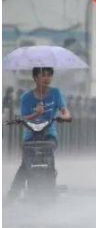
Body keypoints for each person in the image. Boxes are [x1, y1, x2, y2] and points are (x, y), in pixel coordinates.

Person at [5, 67, 72, 202]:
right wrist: (36, 113)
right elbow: (24, 117)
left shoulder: (55, 93)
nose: (46, 78)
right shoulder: (26, 97)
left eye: (49, 75)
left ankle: (51, 186)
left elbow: (65, 111)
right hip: (30, 136)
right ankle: (11, 197)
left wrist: (65, 116)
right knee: (25, 165)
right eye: (43, 75)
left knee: (50, 156)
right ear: (35, 78)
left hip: (49, 134)